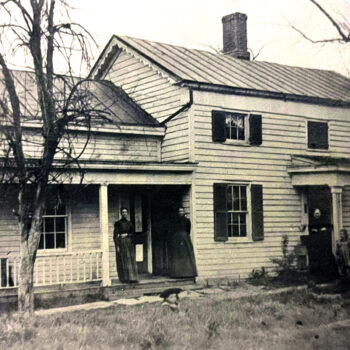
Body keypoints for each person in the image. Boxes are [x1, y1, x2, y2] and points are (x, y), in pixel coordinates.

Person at [168, 207, 197, 278]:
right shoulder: (174, 220)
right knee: (177, 256)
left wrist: (184, 238)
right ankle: (177, 274)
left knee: (186, 255)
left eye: (182, 211)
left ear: (184, 212)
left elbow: (188, 231)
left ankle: (187, 273)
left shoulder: (187, 221)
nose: (180, 212)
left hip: (184, 239)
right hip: (176, 239)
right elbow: (172, 230)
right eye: (179, 211)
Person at [113, 207, 138, 283]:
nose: (124, 213)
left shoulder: (129, 223)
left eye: (125, 212)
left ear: (127, 213)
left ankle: (132, 278)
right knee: (123, 260)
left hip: (129, 243)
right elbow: (115, 235)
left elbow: (133, 233)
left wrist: (127, 234)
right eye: (123, 212)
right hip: (121, 243)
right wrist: (117, 245)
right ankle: (124, 278)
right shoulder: (118, 223)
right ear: (121, 213)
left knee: (130, 260)